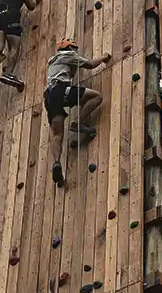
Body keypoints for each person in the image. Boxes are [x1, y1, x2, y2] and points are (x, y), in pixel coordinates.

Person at [44, 36, 111, 186]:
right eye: (74, 48)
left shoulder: (53, 61)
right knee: (97, 97)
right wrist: (104, 56)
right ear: (69, 48)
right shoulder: (69, 55)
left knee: (57, 134)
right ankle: (79, 122)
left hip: (49, 97)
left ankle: (56, 162)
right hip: (61, 90)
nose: (75, 51)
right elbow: (91, 64)